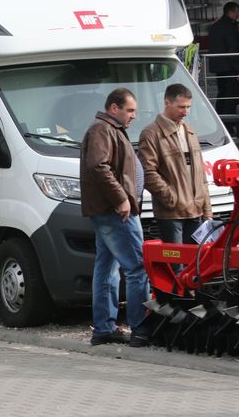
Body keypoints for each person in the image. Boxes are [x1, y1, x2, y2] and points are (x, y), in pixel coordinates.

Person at [79, 88, 150, 348]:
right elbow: (98, 166)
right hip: (114, 212)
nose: (134, 116)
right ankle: (141, 330)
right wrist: (121, 198)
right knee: (137, 268)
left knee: (107, 267)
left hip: (108, 210)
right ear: (113, 108)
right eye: (129, 110)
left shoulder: (111, 129)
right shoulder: (103, 130)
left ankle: (104, 328)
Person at [138, 84, 212, 247]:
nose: (185, 112)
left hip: (194, 211)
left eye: (188, 107)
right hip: (172, 214)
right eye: (181, 107)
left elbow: (201, 175)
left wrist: (207, 211)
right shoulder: (151, 133)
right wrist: (172, 199)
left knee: (193, 264)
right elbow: (148, 172)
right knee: (178, 265)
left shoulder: (189, 131)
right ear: (167, 103)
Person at [208, 1, 239, 115]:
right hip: (230, 67)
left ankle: (221, 118)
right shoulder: (230, 27)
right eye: (237, 12)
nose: (238, 15)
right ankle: (230, 122)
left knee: (222, 94)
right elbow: (233, 48)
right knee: (231, 96)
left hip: (219, 67)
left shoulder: (215, 26)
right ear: (231, 12)